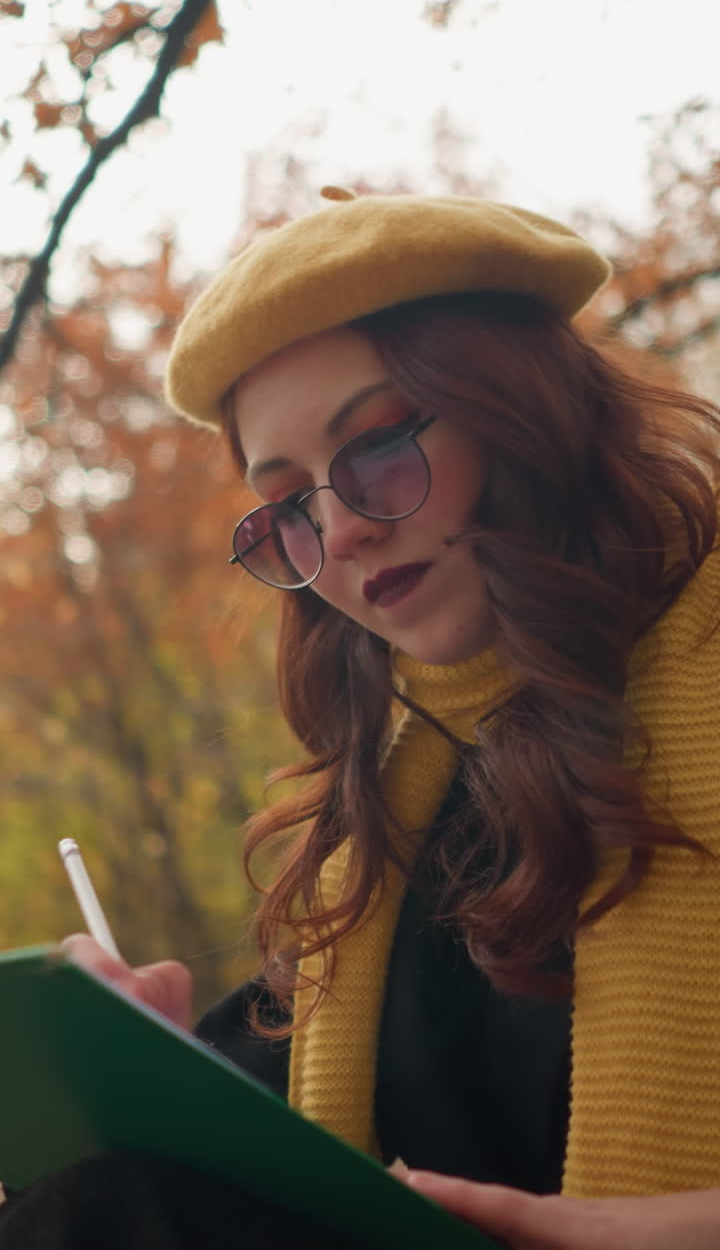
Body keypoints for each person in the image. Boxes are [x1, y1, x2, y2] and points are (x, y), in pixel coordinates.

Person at [3, 186, 720, 1249]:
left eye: (379, 447)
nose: (337, 537)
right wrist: (147, 1080)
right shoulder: (382, 833)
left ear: (521, 407)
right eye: (289, 505)